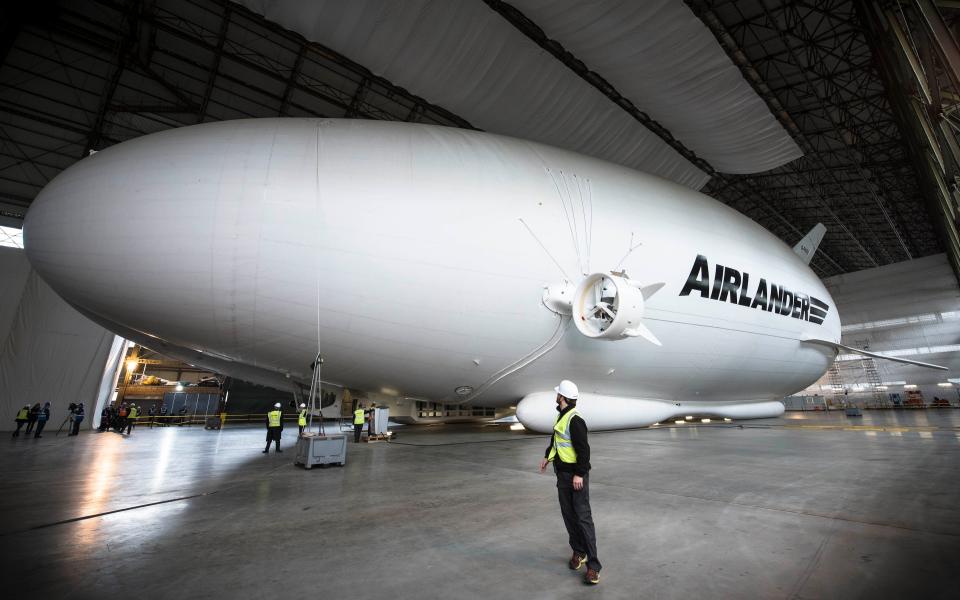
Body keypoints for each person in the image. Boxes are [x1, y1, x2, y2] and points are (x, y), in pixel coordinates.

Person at [538, 380, 601, 585]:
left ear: (562, 397)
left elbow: (584, 451)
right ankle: (578, 552)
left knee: (583, 518)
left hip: (575, 476)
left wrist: (579, 474)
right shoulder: (561, 416)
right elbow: (556, 441)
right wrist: (548, 456)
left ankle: (593, 566)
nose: (556, 396)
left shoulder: (575, 420)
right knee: (569, 516)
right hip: (562, 474)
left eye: (558, 394)